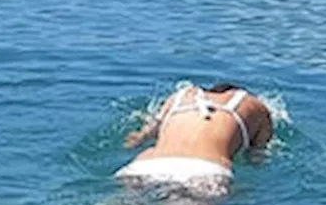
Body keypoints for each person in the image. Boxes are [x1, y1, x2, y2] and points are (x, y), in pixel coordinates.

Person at [116, 81, 276, 194]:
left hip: (145, 166)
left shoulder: (179, 97)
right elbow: (256, 158)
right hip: (205, 172)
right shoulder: (255, 105)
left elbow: (137, 139)